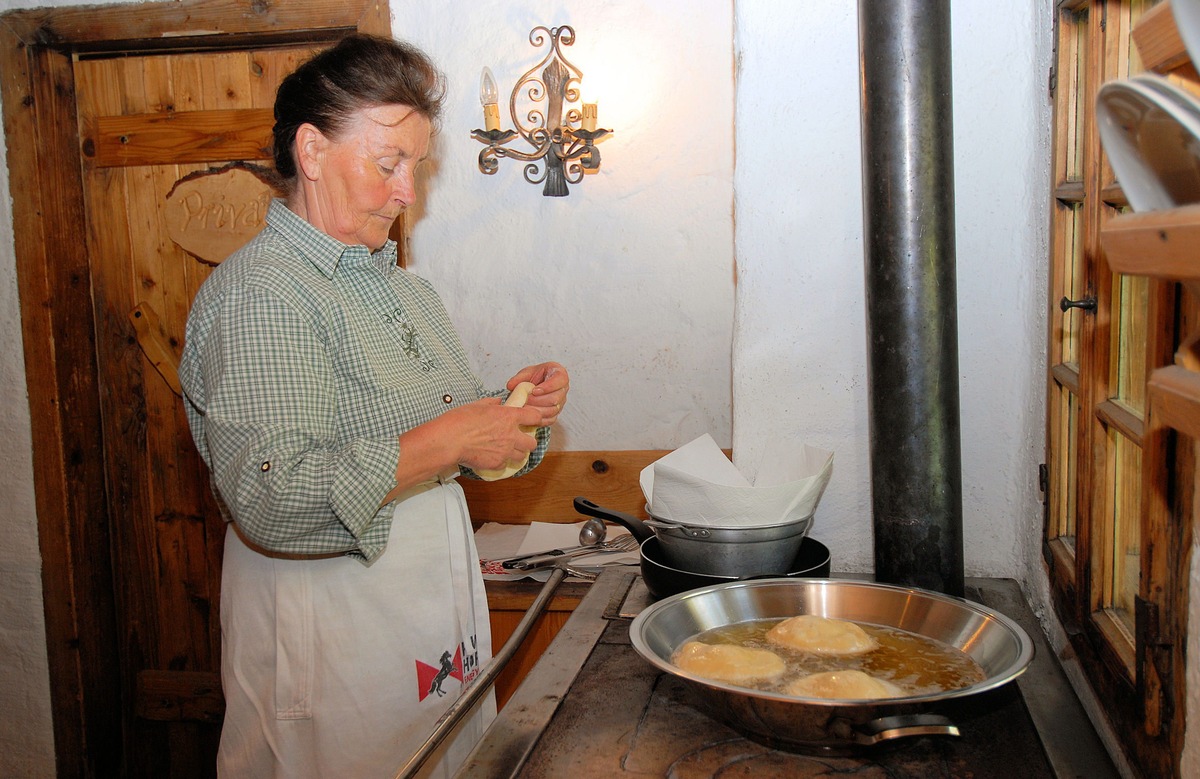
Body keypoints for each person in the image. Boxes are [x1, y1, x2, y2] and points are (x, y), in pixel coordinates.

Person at [178, 33, 569, 778]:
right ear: (313, 151)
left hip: (424, 615)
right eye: (387, 163)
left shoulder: (401, 288)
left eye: (415, 167)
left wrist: (508, 414)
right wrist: (451, 439)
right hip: (331, 631)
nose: (406, 192)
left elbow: (436, 443)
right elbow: (271, 494)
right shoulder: (265, 294)